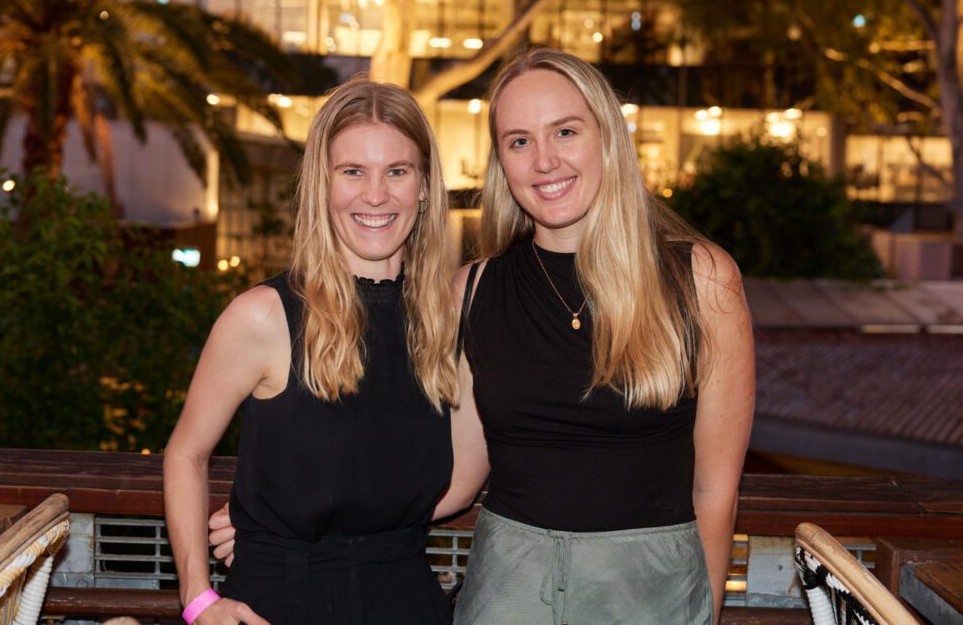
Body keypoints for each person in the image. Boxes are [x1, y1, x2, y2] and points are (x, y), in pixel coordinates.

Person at [210, 48, 755, 625]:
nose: (544, 160)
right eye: (519, 141)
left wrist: (704, 611)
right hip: (507, 593)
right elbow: (450, 479)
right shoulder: (471, 292)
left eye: (565, 132)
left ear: (608, 138)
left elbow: (715, 489)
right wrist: (284, 522)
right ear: (502, 162)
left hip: (652, 597)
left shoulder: (700, 279)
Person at [163, 77, 462, 625]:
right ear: (322, 185)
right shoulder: (263, 316)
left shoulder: (444, 321)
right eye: (353, 172)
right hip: (279, 604)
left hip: (406, 601)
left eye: (397, 171)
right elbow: (185, 454)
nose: (376, 194)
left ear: (424, 186)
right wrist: (198, 600)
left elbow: (468, 472)